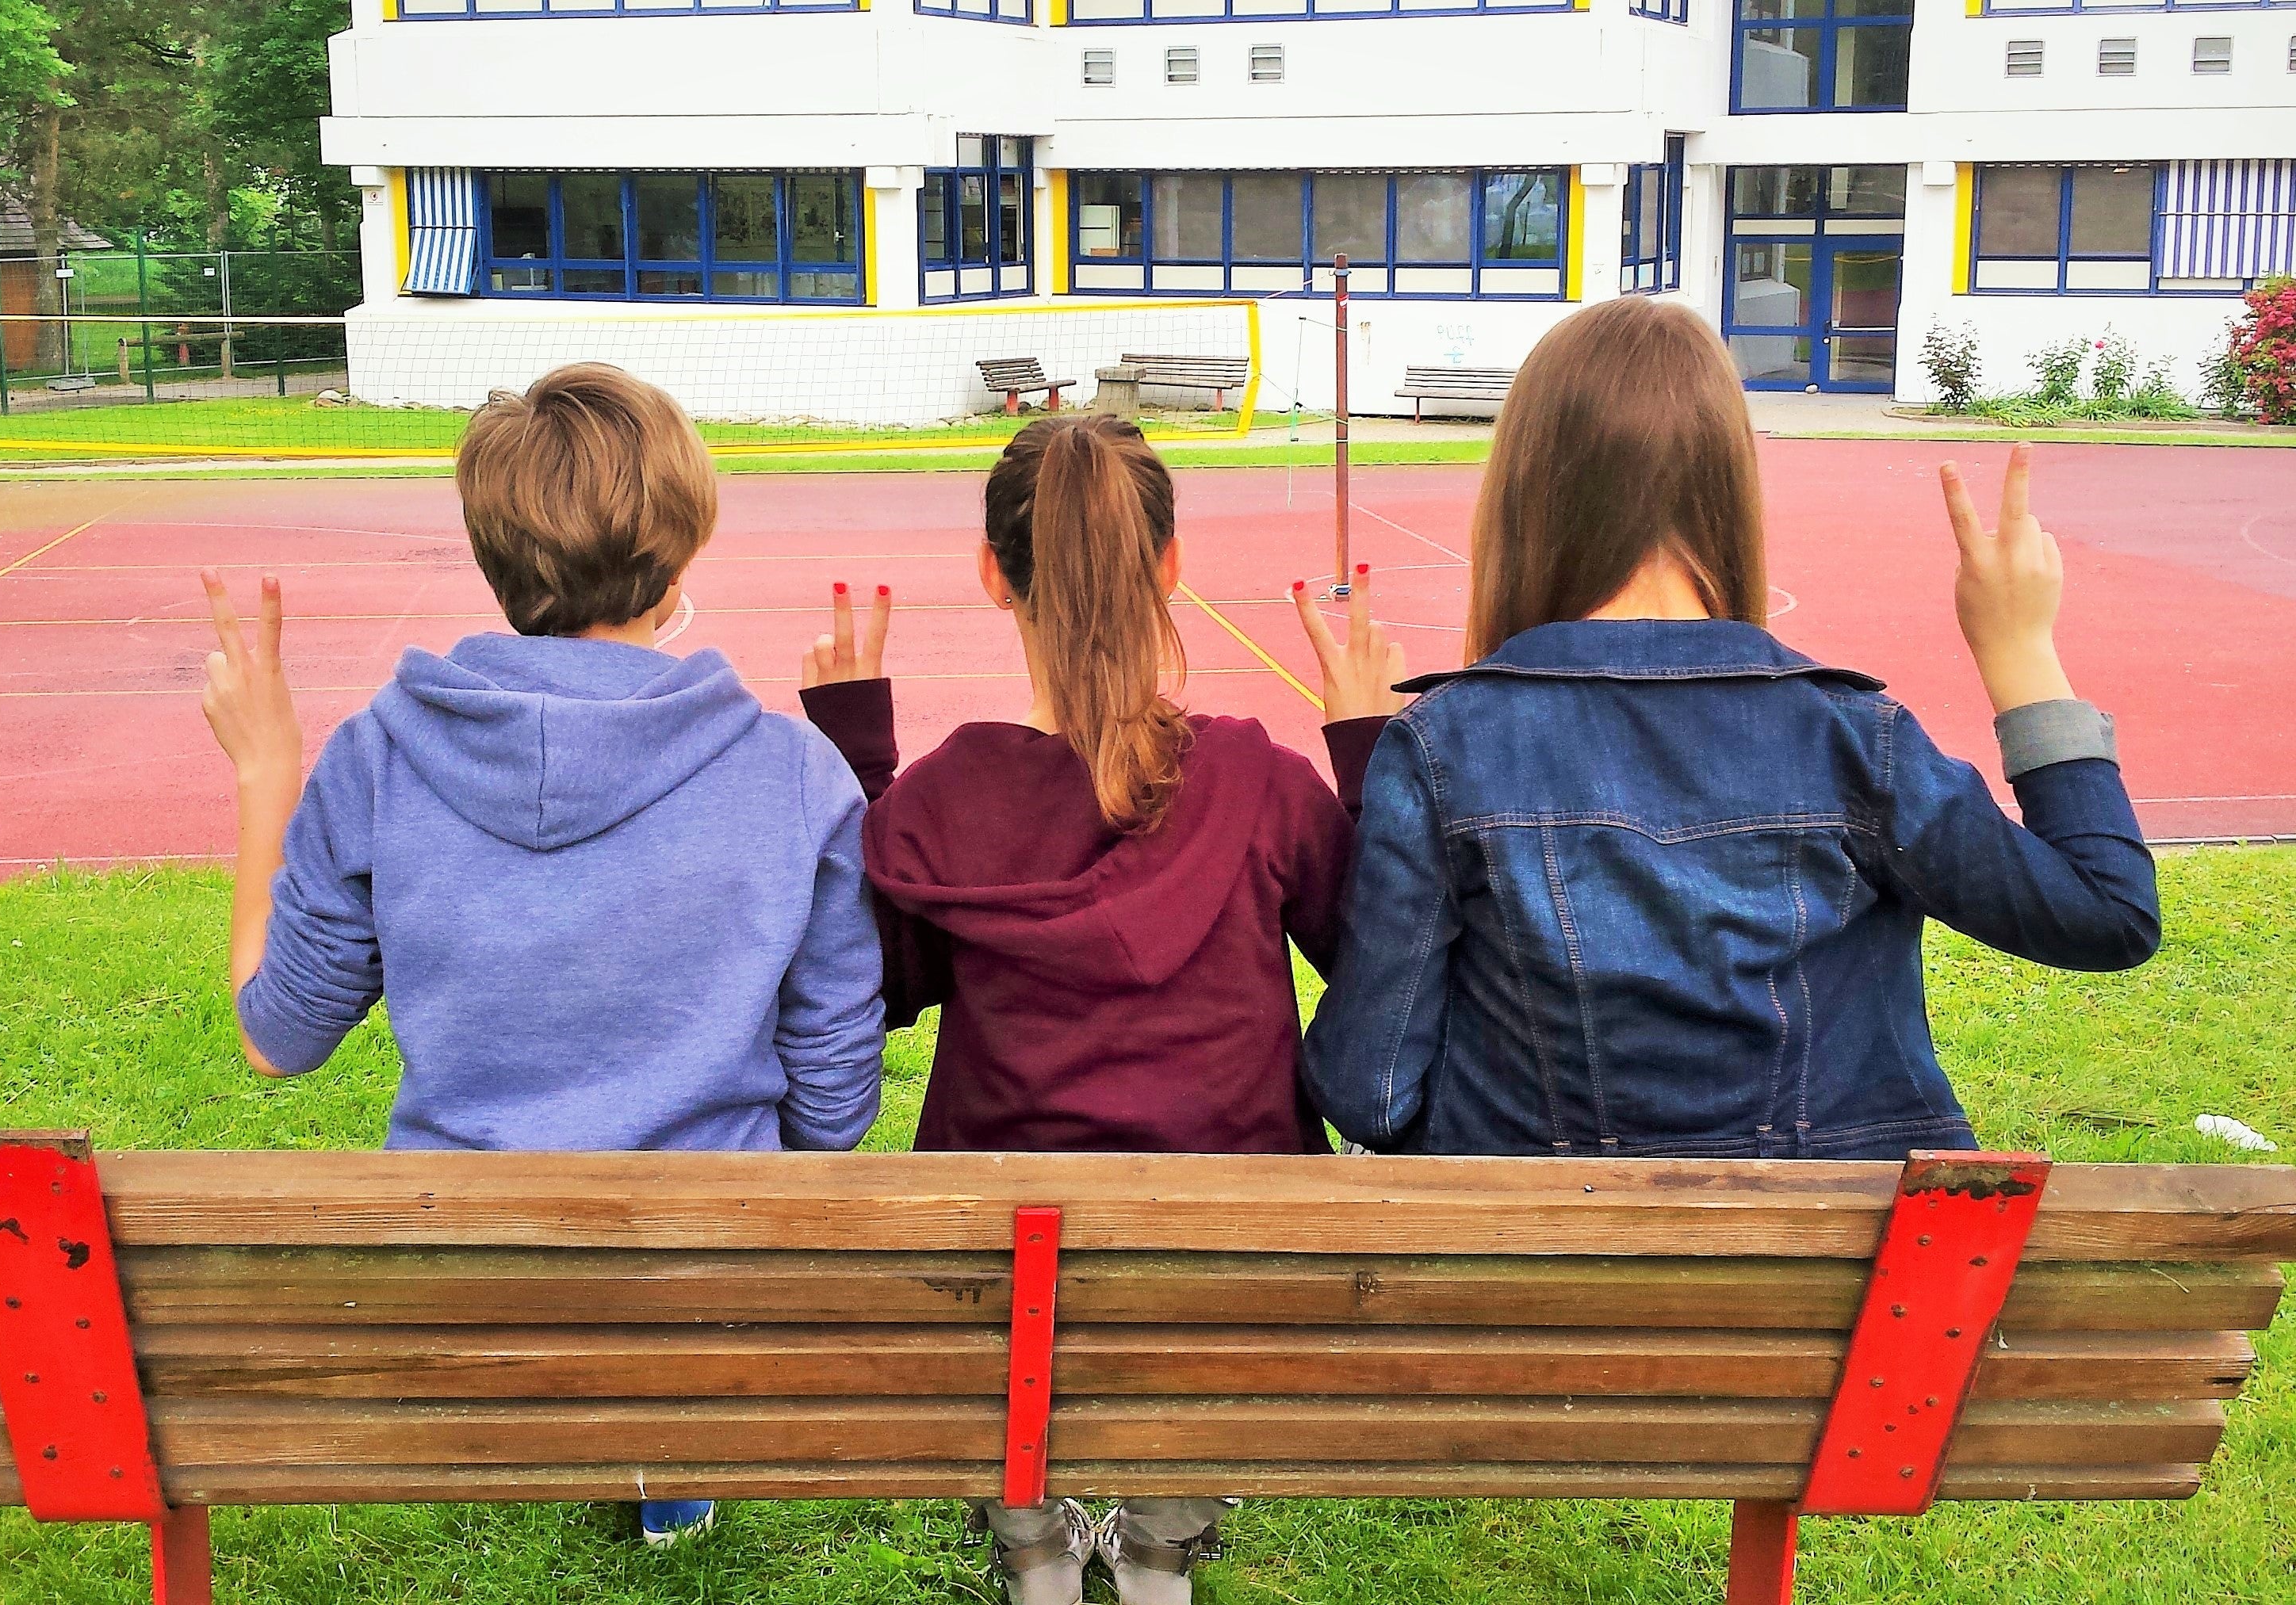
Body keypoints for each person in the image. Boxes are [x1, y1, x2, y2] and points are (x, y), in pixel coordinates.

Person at [195, 361, 885, 1550]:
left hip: (470, 1282)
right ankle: (672, 1488)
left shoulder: (373, 759)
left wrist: (265, 773)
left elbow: (275, 1041)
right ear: (678, 553)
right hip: (711, 1281)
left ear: (493, 552)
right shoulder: (797, 775)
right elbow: (832, 1109)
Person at [1301, 296, 2160, 1161]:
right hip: (1843, 1292)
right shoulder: (1854, 740)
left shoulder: (1444, 748)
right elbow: (2106, 915)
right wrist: (2018, 654)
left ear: (1527, 492)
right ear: (1727, 484)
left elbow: (1368, 1093)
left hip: (1547, 1281)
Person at [794, 412, 1401, 1605]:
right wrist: (1365, 744)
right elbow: (1380, 960)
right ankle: (1162, 1544)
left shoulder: (931, 801)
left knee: (996, 1285)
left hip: (997, 1276)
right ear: (1168, 568)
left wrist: (859, 759)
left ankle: (1034, 1549)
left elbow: (879, 981)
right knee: (1231, 1276)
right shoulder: (1260, 781)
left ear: (991, 575)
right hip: (1228, 1277)